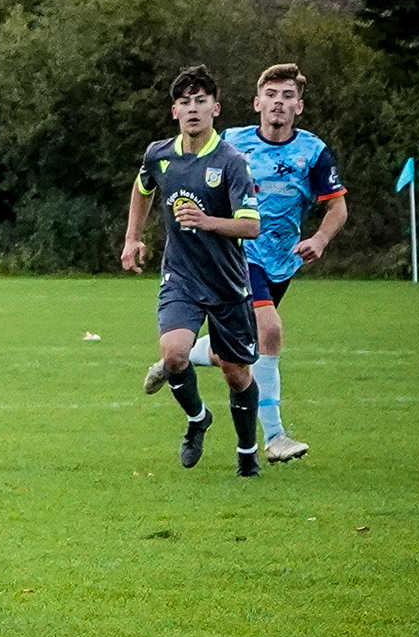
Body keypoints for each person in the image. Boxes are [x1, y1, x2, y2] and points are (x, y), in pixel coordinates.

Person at [142, 64, 347, 462]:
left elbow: (337, 207)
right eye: (271, 95)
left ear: (299, 106)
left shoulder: (313, 151)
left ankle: (177, 359)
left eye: (287, 96)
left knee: (237, 353)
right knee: (269, 330)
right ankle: (275, 436)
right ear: (257, 103)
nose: (278, 103)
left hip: (281, 261)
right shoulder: (233, 144)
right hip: (237, 256)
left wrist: (320, 238)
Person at [121, 65, 265, 475]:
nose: (193, 109)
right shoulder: (159, 155)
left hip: (226, 281)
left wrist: (207, 221)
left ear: (215, 108)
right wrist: (132, 238)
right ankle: (198, 419)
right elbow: (142, 189)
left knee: (236, 373)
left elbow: (251, 226)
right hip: (180, 277)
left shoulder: (232, 162)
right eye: (185, 102)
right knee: (174, 354)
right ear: (175, 112)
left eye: (201, 101)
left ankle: (247, 452)